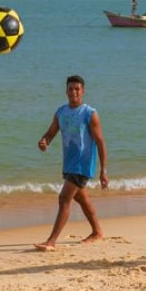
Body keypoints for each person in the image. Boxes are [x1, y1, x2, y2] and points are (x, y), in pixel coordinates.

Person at [35, 74, 109, 251]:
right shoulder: (61, 112)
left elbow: (100, 142)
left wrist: (103, 170)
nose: (73, 92)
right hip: (68, 163)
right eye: (70, 89)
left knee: (64, 199)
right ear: (66, 91)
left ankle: (51, 241)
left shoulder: (89, 113)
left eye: (77, 89)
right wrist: (44, 142)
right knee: (81, 199)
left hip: (82, 164)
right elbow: (50, 133)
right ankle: (97, 231)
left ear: (83, 91)